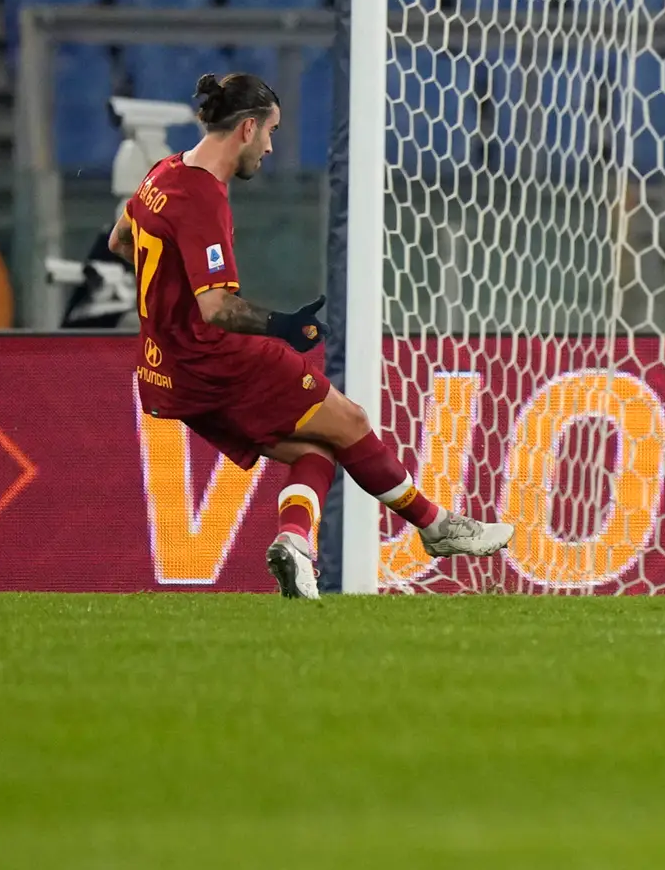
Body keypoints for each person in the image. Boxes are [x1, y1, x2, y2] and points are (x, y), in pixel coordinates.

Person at [111, 73, 512, 599]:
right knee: (351, 421)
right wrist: (282, 327)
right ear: (247, 128)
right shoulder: (202, 198)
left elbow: (121, 240)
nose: (271, 147)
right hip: (213, 361)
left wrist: (166, 304)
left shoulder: (159, 175)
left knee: (319, 447)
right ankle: (437, 527)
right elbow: (215, 308)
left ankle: (295, 544)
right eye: (271, 132)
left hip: (163, 374)